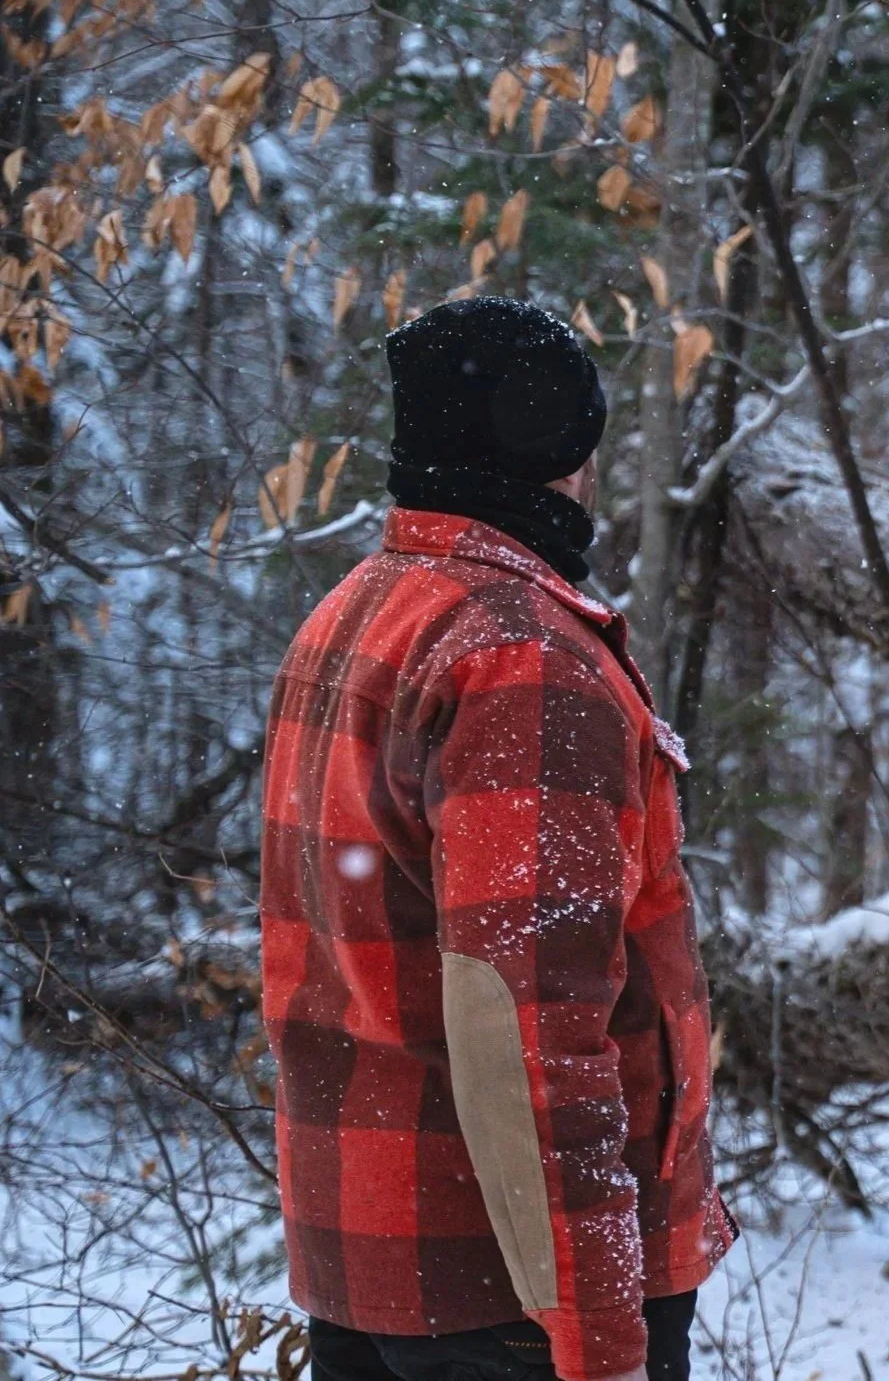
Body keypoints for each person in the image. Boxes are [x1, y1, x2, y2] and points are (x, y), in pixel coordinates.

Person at [259, 296, 736, 1381]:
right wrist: (600, 1337)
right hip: (511, 1306)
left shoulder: (353, 616)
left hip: (374, 1271)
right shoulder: (522, 661)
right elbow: (529, 1032)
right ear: (551, 439)